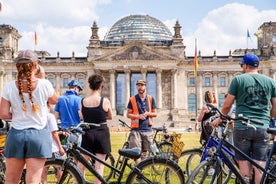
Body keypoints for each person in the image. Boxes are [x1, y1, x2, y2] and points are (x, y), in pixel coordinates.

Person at [212, 53, 276, 184]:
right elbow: (275, 107)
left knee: (244, 163)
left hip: (242, 127)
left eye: (242, 65)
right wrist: (267, 118)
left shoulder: (238, 80)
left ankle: (245, 180)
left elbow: (227, 105)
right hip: (263, 127)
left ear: (245, 65)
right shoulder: (270, 82)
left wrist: (221, 118)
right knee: (259, 164)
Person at [0, 49, 58, 184]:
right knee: (33, 180)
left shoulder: (9, 86)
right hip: (38, 135)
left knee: (11, 180)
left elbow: (3, 114)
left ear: (17, 66)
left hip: (16, 135)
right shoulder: (44, 84)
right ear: (36, 65)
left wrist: (18, 113)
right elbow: (54, 100)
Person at [77, 74, 112, 184]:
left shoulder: (83, 101)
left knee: (81, 166)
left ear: (90, 86)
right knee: (99, 167)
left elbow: (82, 116)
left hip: (87, 133)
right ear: (101, 87)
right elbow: (110, 116)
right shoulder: (104, 101)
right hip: (101, 133)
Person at [126, 79, 157, 163]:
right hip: (136, 130)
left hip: (147, 129)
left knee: (144, 152)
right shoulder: (132, 99)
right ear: (136, 87)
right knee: (136, 153)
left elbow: (155, 114)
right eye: (138, 85)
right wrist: (138, 116)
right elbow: (128, 114)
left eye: (142, 85)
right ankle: (138, 172)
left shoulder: (151, 99)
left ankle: (140, 169)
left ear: (145, 86)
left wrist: (147, 114)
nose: (140, 87)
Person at [41, 102, 68, 184]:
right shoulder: (50, 116)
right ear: (49, 104)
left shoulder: (39, 116)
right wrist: (60, 147)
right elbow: (53, 133)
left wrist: (60, 133)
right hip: (53, 148)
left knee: (44, 169)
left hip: (42, 147)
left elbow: (47, 131)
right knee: (59, 168)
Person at [54, 79, 83, 145]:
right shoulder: (79, 99)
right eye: (79, 90)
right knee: (77, 152)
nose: (79, 92)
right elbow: (80, 115)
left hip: (64, 131)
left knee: (64, 151)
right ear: (76, 88)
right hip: (76, 130)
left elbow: (57, 116)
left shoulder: (60, 98)